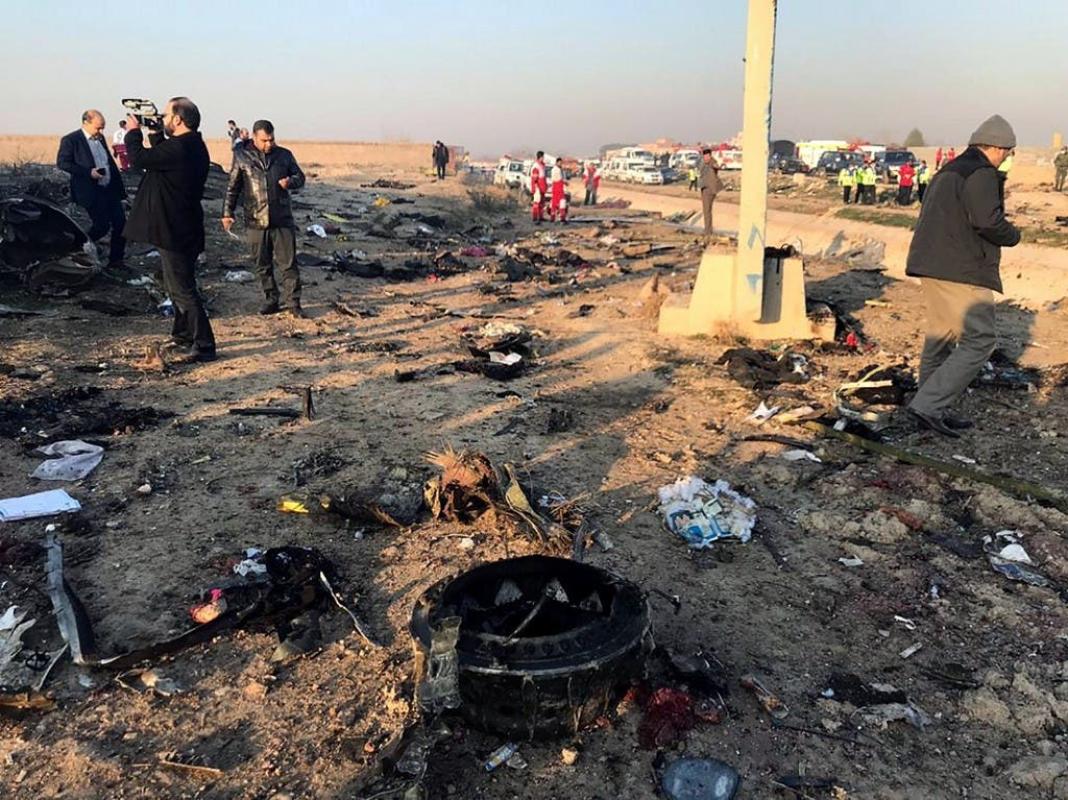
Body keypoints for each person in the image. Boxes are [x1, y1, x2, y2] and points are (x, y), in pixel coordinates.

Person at [904, 114, 1020, 438]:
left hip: (931, 263)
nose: (1007, 159)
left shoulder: (949, 169)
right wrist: (1013, 235)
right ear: (997, 147)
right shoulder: (981, 172)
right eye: (1008, 152)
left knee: (940, 337)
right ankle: (928, 405)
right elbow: (987, 221)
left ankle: (927, 406)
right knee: (980, 339)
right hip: (962, 269)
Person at [123, 97, 216, 362]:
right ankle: (183, 334)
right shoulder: (189, 145)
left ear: (177, 119)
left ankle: (204, 345)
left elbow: (140, 158)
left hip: (175, 229)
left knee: (183, 289)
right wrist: (155, 133)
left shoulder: (181, 147)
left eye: (165, 116)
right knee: (176, 286)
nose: (162, 119)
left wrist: (133, 132)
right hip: (180, 227)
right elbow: (162, 157)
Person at [222, 119, 307, 318]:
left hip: (282, 219)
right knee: (262, 264)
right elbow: (233, 188)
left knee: (288, 264)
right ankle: (271, 299)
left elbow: (300, 177)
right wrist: (227, 213)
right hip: (255, 219)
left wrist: (290, 182)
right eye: (264, 140)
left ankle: (293, 302)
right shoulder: (242, 156)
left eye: (271, 139)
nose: (269, 144)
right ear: (254, 137)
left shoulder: (284, 155)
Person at [57, 109, 127, 268]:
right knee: (101, 226)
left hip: (109, 190)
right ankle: (76, 248)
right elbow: (62, 163)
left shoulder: (100, 138)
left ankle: (116, 261)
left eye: (102, 128)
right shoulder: (71, 140)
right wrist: (88, 172)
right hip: (90, 191)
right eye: (98, 128)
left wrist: (121, 192)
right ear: (85, 123)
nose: (100, 132)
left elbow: (109, 163)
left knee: (122, 225)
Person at [697, 148, 723, 239]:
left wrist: (718, 166)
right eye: (704, 156)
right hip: (704, 188)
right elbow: (699, 168)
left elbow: (716, 166)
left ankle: (708, 231)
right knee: (706, 210)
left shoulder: (712, 162)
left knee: (707, 210)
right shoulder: (702, 163)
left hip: (710, 189)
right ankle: (708, 230)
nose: (706, 158)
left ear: (710, 156)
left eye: (707, 156)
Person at [529, 151, 547, 224]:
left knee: (542, 202)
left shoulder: (542, 165)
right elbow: (535, 178)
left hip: (542, 186)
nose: (543, 158)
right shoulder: (536, 166)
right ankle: (535, 217)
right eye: (543, 157)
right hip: (538, 186)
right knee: (537, 202)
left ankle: (541, 216)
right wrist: (536, 188)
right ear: (540, 157)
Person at [549, 157, 567, 222]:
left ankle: (555, 217)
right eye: (559, 163)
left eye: (561, 163)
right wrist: (564, 182)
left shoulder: (559, 169)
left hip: (558, 187)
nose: (560, 164)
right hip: (557, 187)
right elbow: (558, 179)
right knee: (560, 202)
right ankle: (560, 217)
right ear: (557, 162)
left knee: (557, 203)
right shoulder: (556, 170)